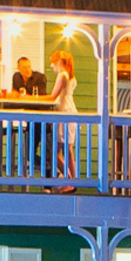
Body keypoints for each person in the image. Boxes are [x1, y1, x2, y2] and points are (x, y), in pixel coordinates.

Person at [47, 49, 79, 192]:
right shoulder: (70, 76)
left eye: (53, 62)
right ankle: (72, 181)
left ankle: (69, 180)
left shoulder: (62, 75)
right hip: (70, 113)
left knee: (55, 152)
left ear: (59, 62)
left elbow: (52, 97)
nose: (52, 66)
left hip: (64, 114)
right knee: (68, 150)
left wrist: (30, 98)